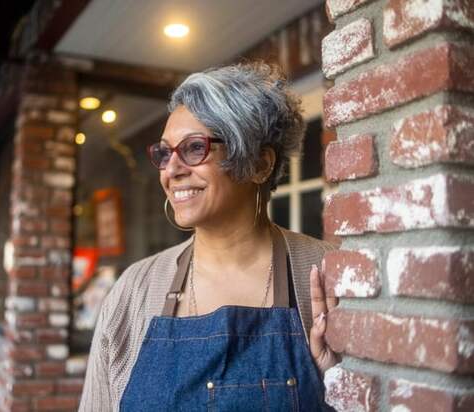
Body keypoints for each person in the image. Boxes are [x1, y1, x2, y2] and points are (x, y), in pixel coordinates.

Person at [79, 62, 339, 411]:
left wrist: (338, 382)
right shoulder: (134, 290)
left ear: (260, 164)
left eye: (194, 148)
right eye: (164, 153)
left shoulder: (325, 277)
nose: (171, 170)